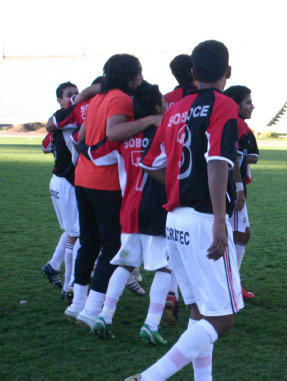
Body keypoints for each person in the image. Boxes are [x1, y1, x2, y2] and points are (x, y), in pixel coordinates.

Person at [127, 40, 243, 381]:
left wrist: (179, 183)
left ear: (193, 72)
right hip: (204, 219)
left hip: (174, 219)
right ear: (228, 72)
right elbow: (219, 162)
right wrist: (221, 220)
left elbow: (150, 164)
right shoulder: (224, 105)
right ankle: (151, 377)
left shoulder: (174, 110)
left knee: (198, 309)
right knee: (222, 318)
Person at [65, 54, 161, 330]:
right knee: (112, 246)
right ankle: (93, 309)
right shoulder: (120, 98)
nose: (141, 77)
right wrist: (151, 120)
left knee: (89, 241)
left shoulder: (98, 99)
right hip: (104, 182)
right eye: (139, 72)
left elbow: (82, 137)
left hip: (83, 177)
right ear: (131, 75)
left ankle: (77, 303)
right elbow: (115, 132)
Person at [78, 81, 172, 345]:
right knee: (166, 267)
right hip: (157, 209)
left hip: (129, 208)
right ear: (155, 107)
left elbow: (93, 153)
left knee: (126, 263)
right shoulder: (162, 133)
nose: (166, 106)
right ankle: (151, 324)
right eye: (163, 102)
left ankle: (105, 316)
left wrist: (82, 146)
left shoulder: (123, 138)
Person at [163, 53, 197, 325]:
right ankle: (198, 301)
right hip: (202, 186)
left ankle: (170, 294)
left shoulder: (166, 102)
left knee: (173, 244)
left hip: (170, 184)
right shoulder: (207, 100)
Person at [41, 82, 80, 298]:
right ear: (60, 99)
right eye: (69, 95)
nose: (74, 97)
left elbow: (45, 146)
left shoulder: (58, 119)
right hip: (67, 182)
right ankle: (69, 286)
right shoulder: (67, 120)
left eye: (76, 93)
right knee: (78, 235)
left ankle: (53, 266)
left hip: (57, 180)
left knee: (72, 231)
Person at [223, 85, 259, 299]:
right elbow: (234, 160)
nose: (252, 106)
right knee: (237, 235)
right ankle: (231, 285)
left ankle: (232, 283)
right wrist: (238, 189)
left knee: (239, 234)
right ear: (235, 105)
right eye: (248, 102)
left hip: (229, 187)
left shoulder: (241, 126)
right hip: (230, 188)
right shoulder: (236, 125)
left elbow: (250, 157)